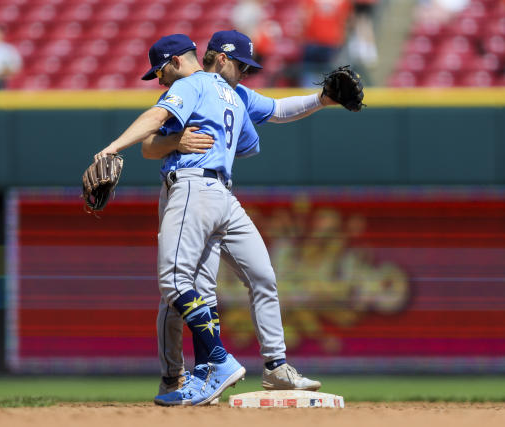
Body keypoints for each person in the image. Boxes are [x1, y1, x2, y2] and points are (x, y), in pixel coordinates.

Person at [141, 30, 347, 399]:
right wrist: (134, 147)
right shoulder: (190, 88)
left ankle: (274, 366)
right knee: (182, 289)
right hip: (186, 187)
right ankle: (177, 376)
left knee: (262, 275)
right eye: (241, 65)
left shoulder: (233, 93)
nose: (246, 72)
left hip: (219, 193)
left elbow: (278, 108)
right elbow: (150, 142)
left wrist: (322, 99)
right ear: (221, 57)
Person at [94, 33, 260, 406]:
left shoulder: (190, 84)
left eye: (160, 72)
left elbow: (155, 118)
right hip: (212, 191)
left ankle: (217, 360)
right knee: (195, 287)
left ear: (174, 62)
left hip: (192, 188)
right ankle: (198, 376)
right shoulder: (223, 92)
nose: (160, 81)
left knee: (172, 281)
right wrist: (179, 141)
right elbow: (154, 145)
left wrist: (111, 147)